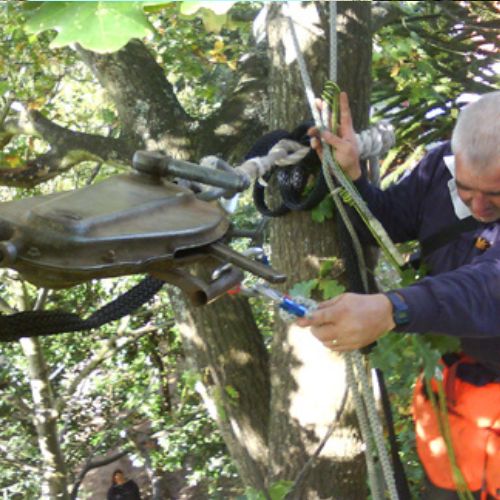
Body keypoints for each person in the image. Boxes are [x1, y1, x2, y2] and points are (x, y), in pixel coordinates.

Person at [299, 91, 500, 499]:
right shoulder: (438, 170)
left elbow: (489, 286)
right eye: (466, 190)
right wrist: (353, 175)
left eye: (495, 196)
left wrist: (395, 308)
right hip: (459, 390)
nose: (478, 206)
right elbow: (390, 220)